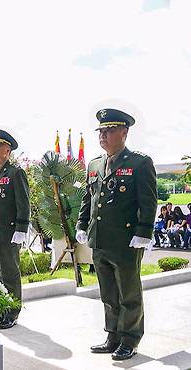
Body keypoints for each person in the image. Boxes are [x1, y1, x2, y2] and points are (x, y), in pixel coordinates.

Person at [76, 108, 157, 361]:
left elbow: (148, 201)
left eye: (109, 130)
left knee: (129, 293)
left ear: (124, 132)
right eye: (101, 131)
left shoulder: (139, 163)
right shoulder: (94, 164)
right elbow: (88, 199)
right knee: (108, 293)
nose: (103, 135)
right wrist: (81, 224)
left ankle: (130, 339)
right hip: (100, 240)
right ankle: (112, 335)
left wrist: (143, 232)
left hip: (125, 242)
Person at [0, 129, 30, 330]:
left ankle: (11, 311)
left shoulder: (15, 173)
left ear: (7, 151)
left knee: (9, 273)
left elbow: (23, 203)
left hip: (8, 233)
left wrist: (21, 228)